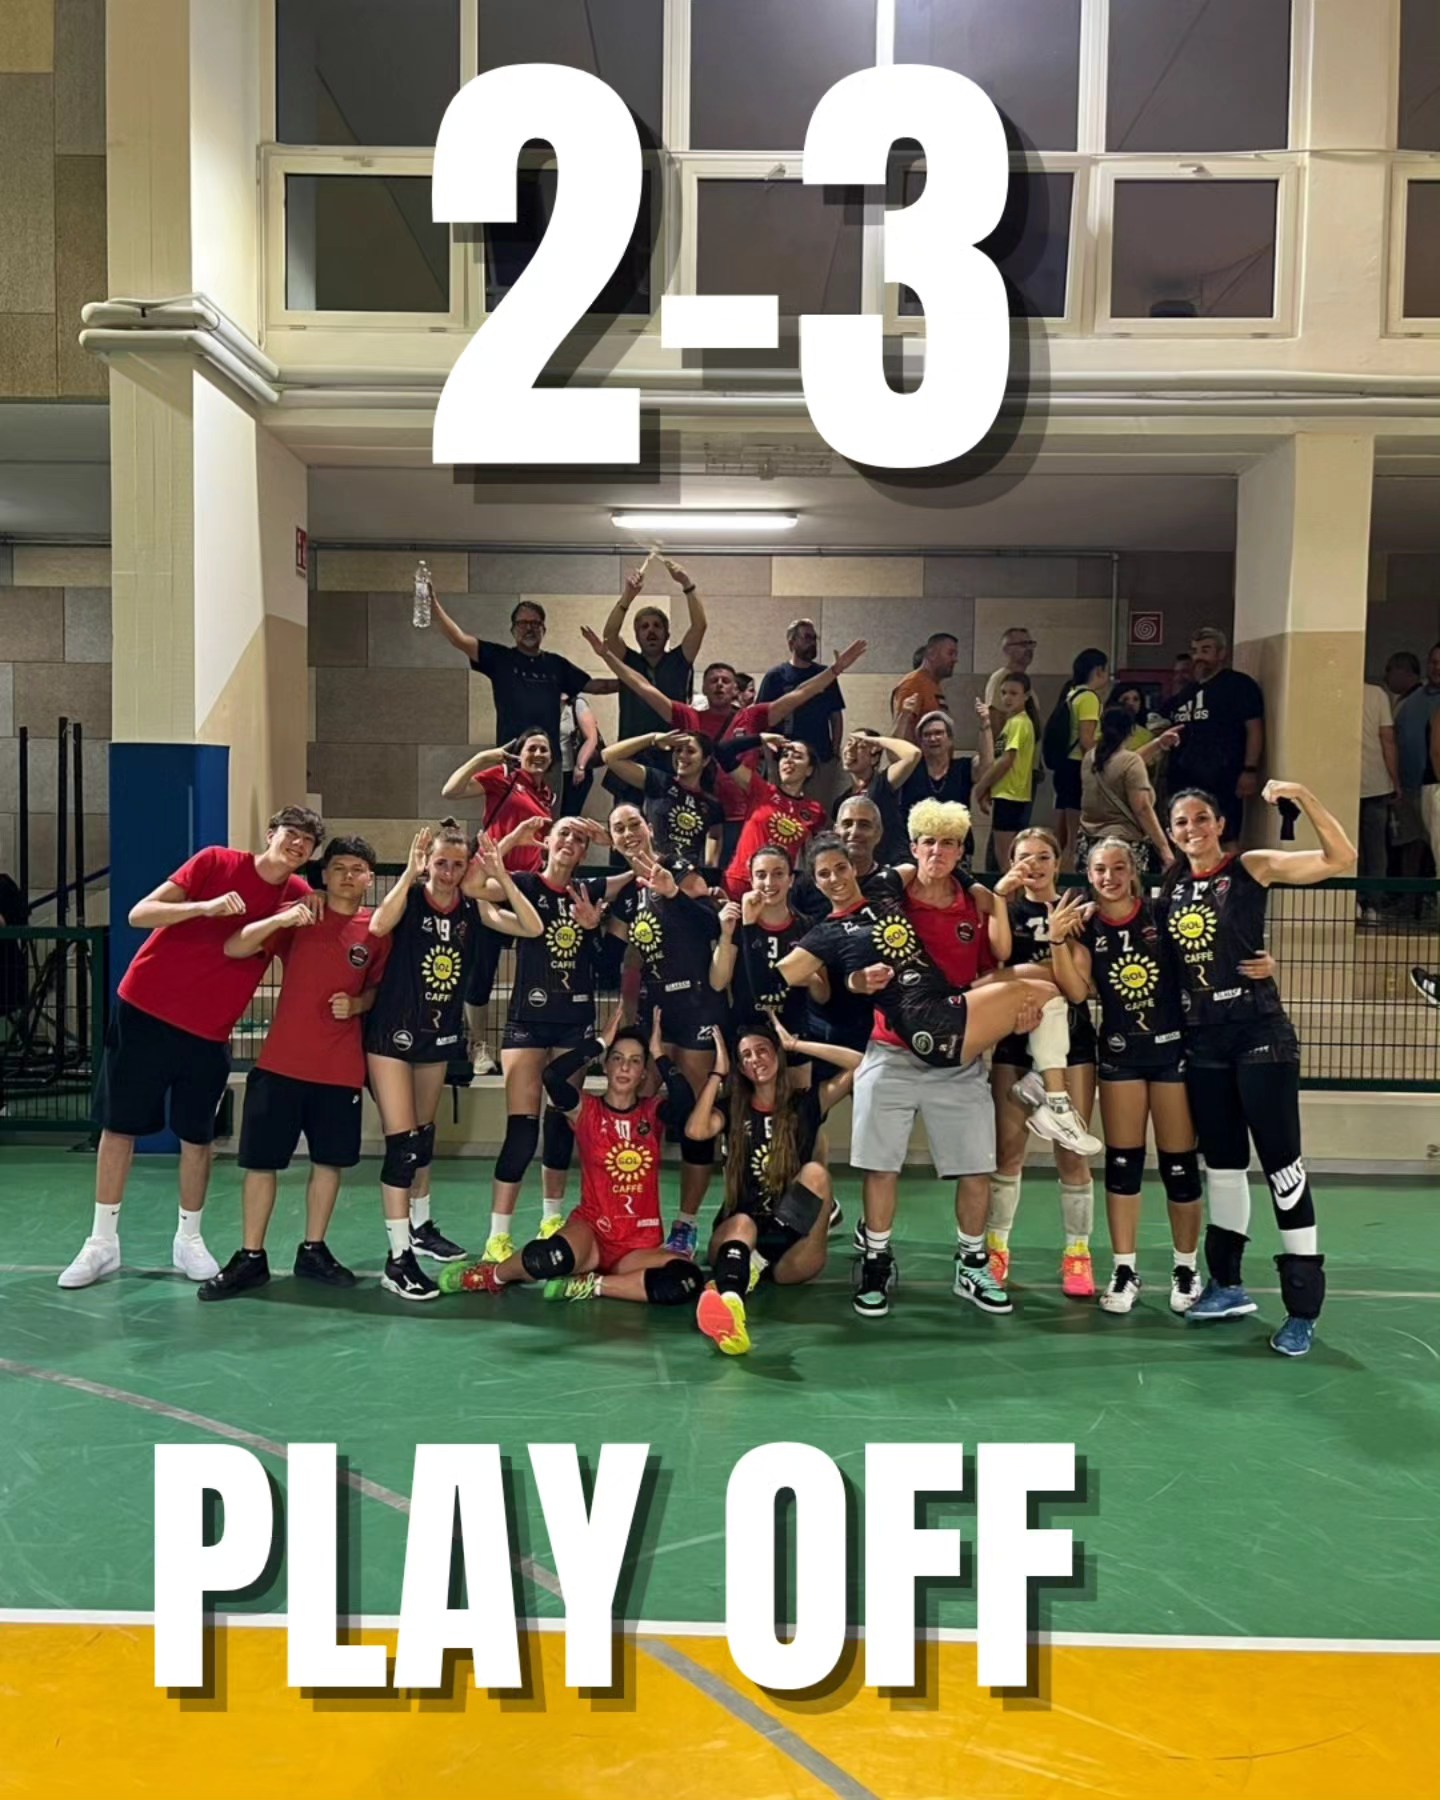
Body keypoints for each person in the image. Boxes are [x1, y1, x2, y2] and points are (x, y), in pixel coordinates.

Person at [59, 805, 325, 1291]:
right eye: (292, 833)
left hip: (209, 1032)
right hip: (145, 1009)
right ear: (271, 833)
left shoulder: (298, 897)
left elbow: (279, 948)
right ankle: (101, 1242)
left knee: (197, 1137)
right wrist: (204, 907)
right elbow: (140, 913)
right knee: (119, 1127)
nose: (297, 844)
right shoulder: (216, 862)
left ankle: (189, 1239)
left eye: (308, 842)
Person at [1164, 780, 1356, 1356]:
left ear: (1220, 824)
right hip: (1204, 1042)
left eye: (1202, 818)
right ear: (1171, 833)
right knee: (1223, 1167)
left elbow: (1340, 858)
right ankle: (1226, 1284)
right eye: (1181, 822)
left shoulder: (1250, 867)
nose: (1193, 829)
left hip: (1259, 1036)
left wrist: (1305, 795)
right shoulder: (1170, 888)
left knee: (1282, 1167)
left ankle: (1302, 1309)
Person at [825, 803, 1018, 1320]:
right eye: (928, 842)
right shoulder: (889, 897)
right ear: (913, 848)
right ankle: (876, 1259)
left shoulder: (973, 906)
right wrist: (857, 982)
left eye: (948, 843)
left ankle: (971, 1263)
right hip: (889, 1051)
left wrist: (1003, 1017)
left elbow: (989, 974)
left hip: (957, 1061)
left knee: (976, 1167)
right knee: (880, 1167)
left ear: (960, 851)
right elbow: (847, 954)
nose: (937, 851)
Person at [200, 837, 389, 1300]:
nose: (348, 875)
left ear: (370, 878)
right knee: (261, 1164)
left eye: (357, 868)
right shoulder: (302, 915)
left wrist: (358, 1003)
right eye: (339, 867)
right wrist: (282, 918)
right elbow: (235, 946)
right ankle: (251, 1256)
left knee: (329, 1163)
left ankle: (313, 1250)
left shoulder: (378, 929)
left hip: (339, 1069)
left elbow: (381, 991)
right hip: (281, 1063)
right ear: (323, 874)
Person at [364, 824, 542, 1301]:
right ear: (428, 862)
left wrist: (502, 874)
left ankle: (420, 1227)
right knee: (403, 1146)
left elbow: (532, 927)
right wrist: (409, 873)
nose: (447, 872)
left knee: (423, 1138)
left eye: (457, 865)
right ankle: (397, 1259)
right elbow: (378, 925)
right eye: (440, 862)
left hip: (438, 1035)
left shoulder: (472, 908)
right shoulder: (411, 898)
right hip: (392, 1033)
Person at [1045, 841, 1212, 1316]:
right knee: (1123, 1164)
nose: (1109, 877)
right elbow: (1076, 991)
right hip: (1120, 1056)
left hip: (1171, 1052)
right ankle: (1124, 1269)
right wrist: (1057, 941)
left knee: (1179, 1166)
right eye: (1100, 869)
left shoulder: (1161, 914)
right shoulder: (1086, 927)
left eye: (1119, 868)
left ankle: (1186, 1267)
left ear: (1134, 872)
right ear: (1088, 875)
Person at [441, 1009, 703, 1310]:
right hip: (592, 1233)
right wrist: (599, 1043)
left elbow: (686, 1103)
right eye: (617, 1058)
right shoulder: (585, 1109)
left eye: (635, 1061)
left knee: (685, 1279)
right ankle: (492, 1275)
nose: (624, 1067)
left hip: (638, 1245)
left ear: (644, 1072)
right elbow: (552, 1076)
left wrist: (659, 1054)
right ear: (606, 1065)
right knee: (549, 1258)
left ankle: (590, 1285)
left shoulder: (653, 1112)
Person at [481, 816, 633, 1265]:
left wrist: (612, 840)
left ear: (586, 851)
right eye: (563, 833)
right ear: (546, 841)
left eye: (580, 839)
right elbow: (474, 883)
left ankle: (551, 1219)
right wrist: (512, 839)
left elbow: (643, 871)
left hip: (574, 1021)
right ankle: (498, 1235)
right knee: (522, 1128)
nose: (570, 841)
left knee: (561, 1119)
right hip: (527, 1020)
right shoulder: (525, 884)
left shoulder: (590, 890)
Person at [686, 1018, 859, 1355]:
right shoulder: (733, 1108)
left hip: (790, 1257)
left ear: (777, 1054)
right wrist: (717, 1073)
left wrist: (796, 1045)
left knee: (816, 1174)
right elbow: (696, 1131)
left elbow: (860, 1063)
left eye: (762, 1050)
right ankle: (732, 1308)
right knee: (743, 1222)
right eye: (746, 1055)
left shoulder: (805, 1103)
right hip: (740, 1239)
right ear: (740, 1067)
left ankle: (751, 1268)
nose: (755, 1059)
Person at [984, 828, 1103, 1299]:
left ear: (1058, 862)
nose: (1032, 865)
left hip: (1071, 1045)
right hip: (1013, 1040)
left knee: (1072, 1152)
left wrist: (1036, 967)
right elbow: (996, 963)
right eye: (1023, 857)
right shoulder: (1005, 909)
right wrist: (999, 897)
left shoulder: (1077, 910)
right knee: (1008, 1153)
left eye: (1042, 857)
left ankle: (1078, 1253)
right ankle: (996, 1248)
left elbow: (1075, 989)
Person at [609, 848, 727, 1256]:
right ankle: (631, 1211)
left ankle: (686, 1225)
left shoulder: (693, 898)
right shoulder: (635, 898)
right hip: (654, 1012)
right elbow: (629, 959)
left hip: (697, 1010)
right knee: (635, 1112)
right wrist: (626, 1012)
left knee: (697, 1117)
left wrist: (675, 891)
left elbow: (712, 924)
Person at [442, 729, 556, 1074]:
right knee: (482, 967)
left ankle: (527, 1042)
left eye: (544, 749)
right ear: (519, 754)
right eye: (532, 748)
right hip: (489, 885)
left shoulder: (547, 795)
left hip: (524, 889)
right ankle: (477, 1044)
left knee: (535, 963)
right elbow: (451, 791)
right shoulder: (503, 778)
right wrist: (483, 758)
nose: (538, 754)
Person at [429, 596, 612, 760]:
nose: (529, 628)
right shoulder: (499, 658)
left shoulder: (556, 664)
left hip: (548, 761)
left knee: (549, 790)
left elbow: (598, 686)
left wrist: (629, 678)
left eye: (535, 623)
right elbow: (458, 639)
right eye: (522, 623)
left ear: (544, 629)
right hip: (510, 758)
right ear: (513, 629)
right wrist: (434, 606)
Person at [1161, 628, 1265, 845]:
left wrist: (1250, 769)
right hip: (1184, 778)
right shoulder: (1187, 692)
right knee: (1186, 835)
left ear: (1221, 653)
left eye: (1205, 650)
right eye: (1195, 651)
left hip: (1223, 777)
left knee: (1224, 836)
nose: (1198, 656)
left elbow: (1254, 728)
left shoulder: (1238, 685)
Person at [601, 557, 708, 749]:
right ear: (636, 635)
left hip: (674, 751)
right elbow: (609, 635)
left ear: (667, 634)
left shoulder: (680, 659)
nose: (651, 631)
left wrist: (686, 583)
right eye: (644, 627)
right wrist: (628, 596)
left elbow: (699, 626)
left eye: (657, 626)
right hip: (632, 751)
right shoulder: (628, 661)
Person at [722, 736, 833, 900]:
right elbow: (723, 752)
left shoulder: (815, 811)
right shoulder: (762, 790)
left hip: (777, 889)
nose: (789, 760)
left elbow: (821, 850)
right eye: (785, 755)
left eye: (797, 756)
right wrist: (760, 738)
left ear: (809, 770)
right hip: (741, 880)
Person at [601, 726, 726, 870]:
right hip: (651, 870)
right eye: (678, 750)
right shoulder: (659, 781)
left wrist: (710, 869)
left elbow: (714, 837)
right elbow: (609, 756)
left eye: (690, 751)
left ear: (705, 760)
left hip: (688, 876)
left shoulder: (712, 805)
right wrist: (652, 738)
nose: (682, 756)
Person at [1078, 706, 1175, 878]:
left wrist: (1158, 744)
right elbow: (1142, 808)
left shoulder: (1090, 757)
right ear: (1132, 731)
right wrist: (1164, 848)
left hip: (1089, 843)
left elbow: (1123, 764)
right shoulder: (1130, 762)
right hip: (1123, 844)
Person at [1043, 648, 1109, 869]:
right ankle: (1070, 880)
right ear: (1098, 670)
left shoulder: (1072, 694)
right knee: (1074, 839)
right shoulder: (1089, 698)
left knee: (1060, 836)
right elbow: (1086, 740)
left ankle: (1057, 876)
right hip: (1077, 767)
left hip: (1064, 767)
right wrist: (1102, 763)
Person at [757, 618, 847, 772]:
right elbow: (761, 716)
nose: (812, 643)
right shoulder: (775, 676)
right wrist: (765, 751)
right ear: (791, 643)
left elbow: (835, 714)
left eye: (814, 638)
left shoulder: (825, 675)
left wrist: (835, 749)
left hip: (820, 755)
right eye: (807, 637)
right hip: (784, 756)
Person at [971, 672, 1040, 867]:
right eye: (1003, 693)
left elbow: (1006, 760)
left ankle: (1012, 888)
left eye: (1014, 693)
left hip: (1011, 795)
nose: (1007, 698)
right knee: (1006, 856)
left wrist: (981, 787)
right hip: (1008, 794)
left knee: (1005, 859)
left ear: (1026, 696)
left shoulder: (1019, 723)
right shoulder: (1014, 722)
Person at [830, 729, 922, 865]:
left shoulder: (882, 782)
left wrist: (876, 741)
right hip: (863, 867)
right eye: (849, 743)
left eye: (861, 746)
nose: (851, 749)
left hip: (895, 864)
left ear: (874, 758)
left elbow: (913, 754)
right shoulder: (842, 801)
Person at [1391, 645, 1440, 891]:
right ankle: (1409, 899)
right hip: (1411, 786)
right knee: (1411, 844)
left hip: (1435, 786)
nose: (1437, 667)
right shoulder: (1411, 702)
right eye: (1433, 662)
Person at [1358, 678, 1400, 919]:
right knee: (1376, 849)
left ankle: (1352, 901)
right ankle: (1373, 905)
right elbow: (1387, 739)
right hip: (1376, 783)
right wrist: (1395, 780)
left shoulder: (1335, 692)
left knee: (1347, 847)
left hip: (1342, 784)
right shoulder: (1377, 695)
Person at [890, 632, 958, 739]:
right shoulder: (913, 683)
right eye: (950, 653)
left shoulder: (932, 684)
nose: (955, 659)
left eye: (955, 654)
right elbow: (903, 732)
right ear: (931, 654)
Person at [558, 692, 600, 818]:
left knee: (569, 816)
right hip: (551, 771)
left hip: (574, 771)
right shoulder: (544, 704)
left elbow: (591, 738)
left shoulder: (577, 704)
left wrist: (580, 766)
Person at [983, 626, 1037, 708]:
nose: (1029, 649)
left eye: (1030, 644)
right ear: (1007, 649)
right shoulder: (1000, 679)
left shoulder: (1023, 681)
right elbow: (995, 713)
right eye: (1023, 644)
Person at [1108, 682, 1155, 753]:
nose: (1131, 703)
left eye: (1136, 699)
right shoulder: (1103, 730)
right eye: (1125, 699)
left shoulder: (1147, 736)